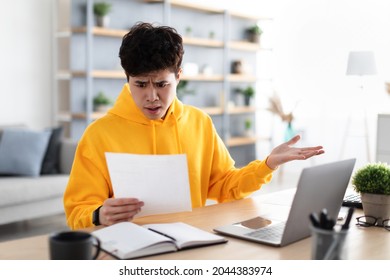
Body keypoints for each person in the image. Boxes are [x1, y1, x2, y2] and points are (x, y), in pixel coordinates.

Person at [64, 22, 324, 230]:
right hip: (127, 249)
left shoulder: (199, 122)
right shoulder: (99, 134)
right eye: (140, 85)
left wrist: (267, 164)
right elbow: (77, 211)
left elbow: (226, 186)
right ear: (128, 79)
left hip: (192, 240)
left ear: (178, 76)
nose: (152, 96)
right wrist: (98, 214)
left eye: (162, 84)